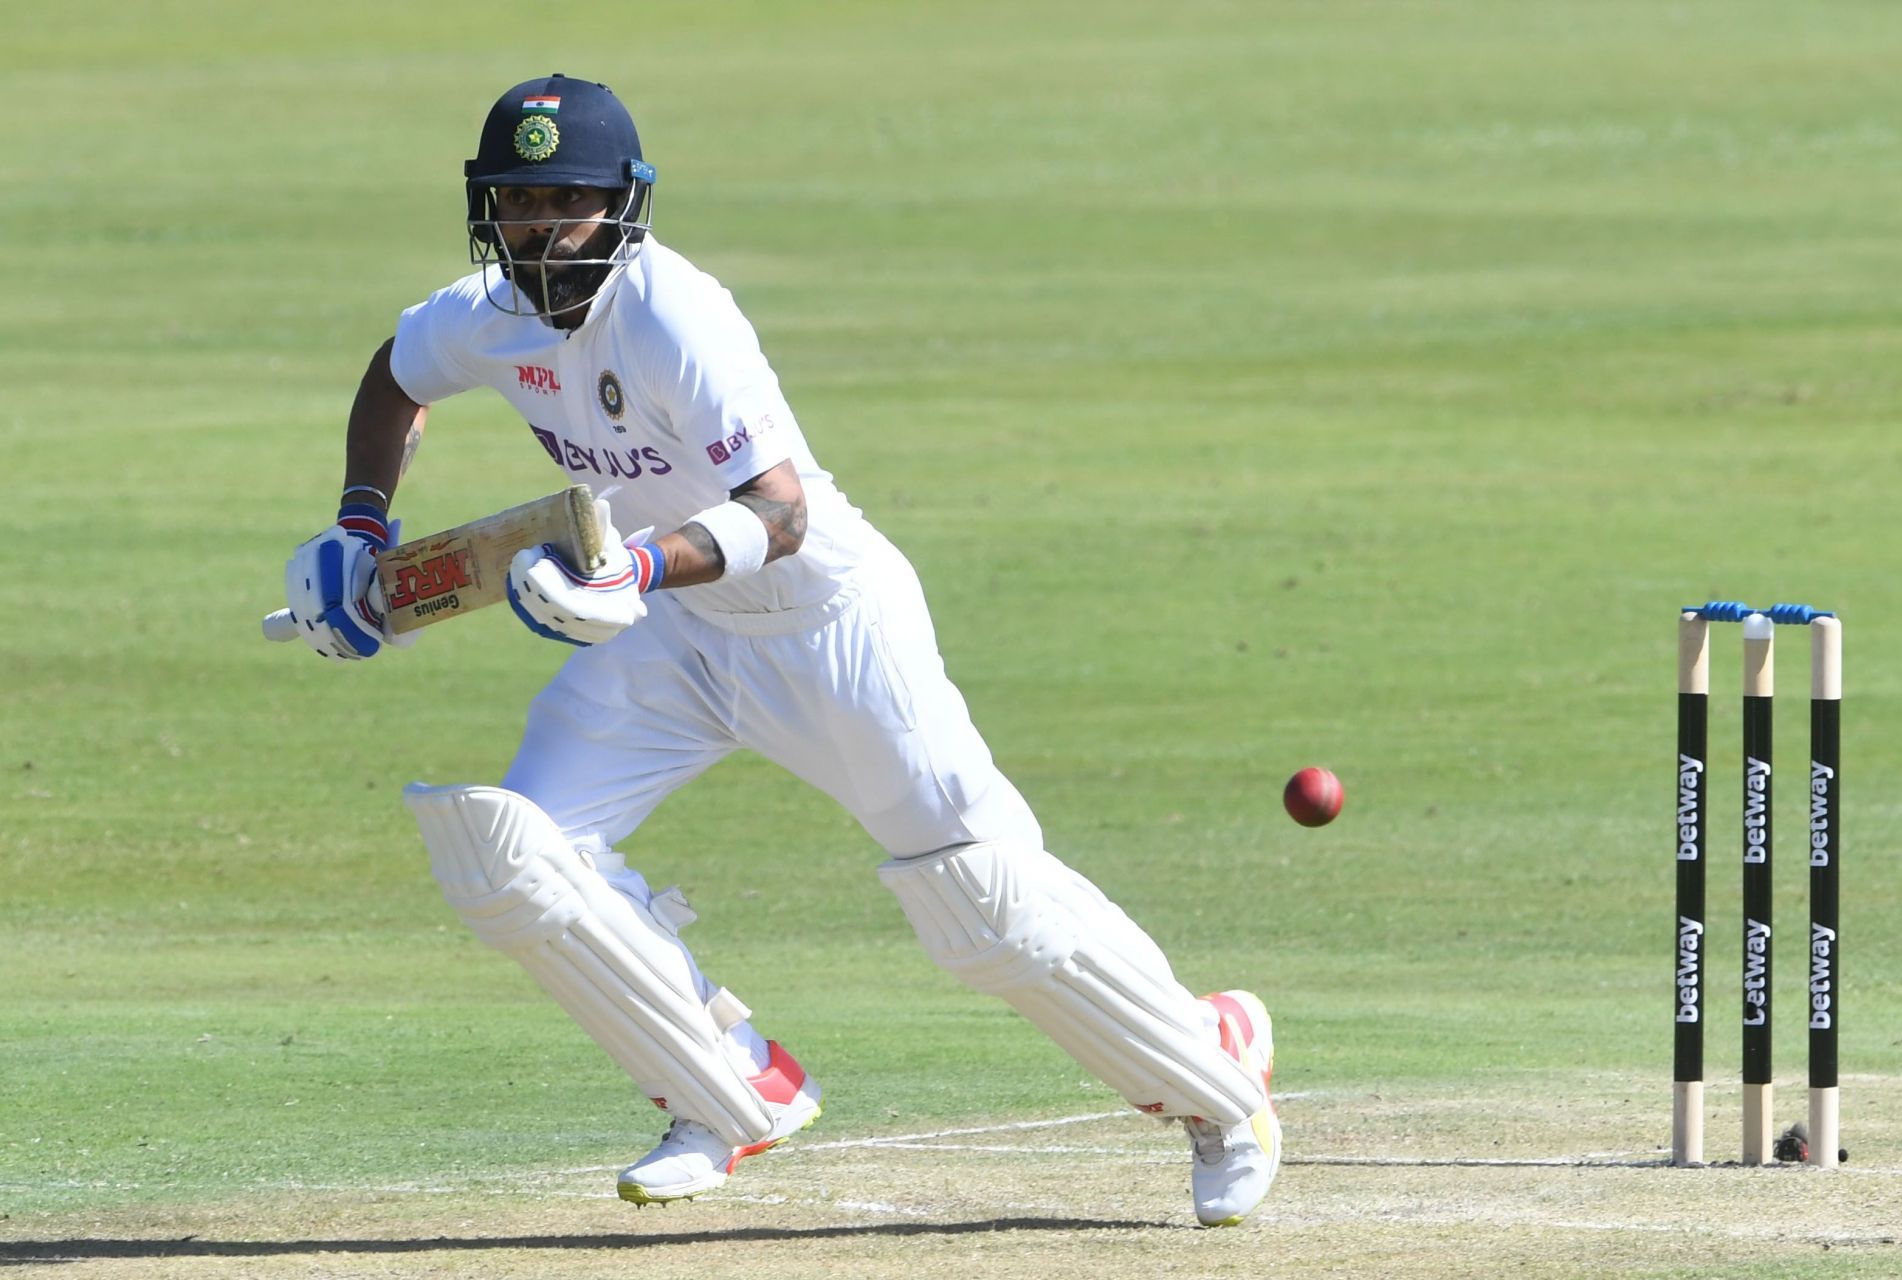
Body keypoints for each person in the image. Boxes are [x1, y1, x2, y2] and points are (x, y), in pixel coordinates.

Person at [281, 74, 1281, 1227]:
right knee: (516, 856)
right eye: (514, 198)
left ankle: (1217, 1071)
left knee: (984, 900)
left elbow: (782, 510)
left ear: (623, 206)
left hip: (825, 625)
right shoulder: (485, 313)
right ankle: (730, 1084)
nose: (536, 224)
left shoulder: (674, 316)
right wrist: (361, 527)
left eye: (566, 198)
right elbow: (394, 377)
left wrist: (635, 570)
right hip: (673, 639)